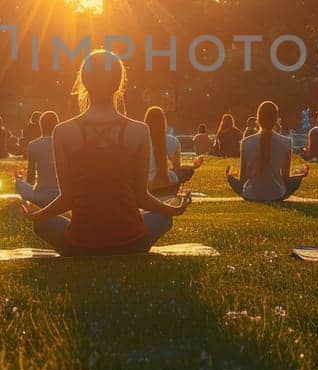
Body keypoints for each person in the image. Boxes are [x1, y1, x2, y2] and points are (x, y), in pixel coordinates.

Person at [24, 51, 192, 255]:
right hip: (133, 241)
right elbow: (141, 197)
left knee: (42, 225)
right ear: (119, 82)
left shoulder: (62, 132)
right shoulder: (139, 130)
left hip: (80, 243)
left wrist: (37, 215)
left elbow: (66, 199)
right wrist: (174, 209)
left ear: (84, 82)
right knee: (163, 217)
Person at [226, 101, 309, 201]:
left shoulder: (246, 142)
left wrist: (231, 174)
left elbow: (243, 178)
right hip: (277, 194)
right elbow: (286, 178)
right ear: (275, 120)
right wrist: (300, 174)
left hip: (250, 194)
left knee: (230, 176)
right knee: (297, 180)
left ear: (258, 119)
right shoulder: (286, 142)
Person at [145, 106, 203, 195]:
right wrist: (193, 166)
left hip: (145, 183)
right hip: (165, 183)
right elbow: (177, 167)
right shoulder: (172, 141)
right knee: (183, 173)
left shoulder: (140, 140)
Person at [14, 110, 61, 205]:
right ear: (57, 125)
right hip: (61, 195)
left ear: (40, 126)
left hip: (40, 196)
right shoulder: (63, 143)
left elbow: (31, 176)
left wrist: (21, 180)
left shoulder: (33, 145)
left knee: (18, 182)